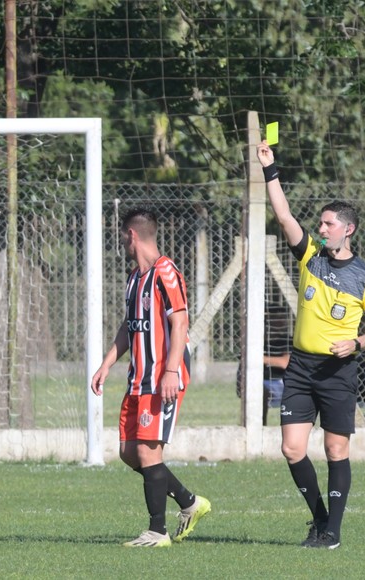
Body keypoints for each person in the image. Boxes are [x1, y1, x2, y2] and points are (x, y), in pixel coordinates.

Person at [257, 141, 365, 550]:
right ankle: (319, 519)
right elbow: (283, 215)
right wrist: (269, 169)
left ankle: (332, 532)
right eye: (321, 222)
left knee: (335, 447)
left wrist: (356, 342)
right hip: (300, 368)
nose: (322, 228)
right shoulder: (310, 256)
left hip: (337, 371)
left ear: (348, 229)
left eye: (329, 223)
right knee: (291, 448)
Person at [91, 207, 210, 548]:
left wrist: (171, 371)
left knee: (147, 452)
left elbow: (180, 322)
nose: (121, 244)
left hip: (162, 378)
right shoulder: (134, 278)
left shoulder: (165, 272)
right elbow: (129, 327)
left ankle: (157, 531)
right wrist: (106, 364)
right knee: (130, 452)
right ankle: (189, 502)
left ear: (132, 235)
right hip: (138, 378)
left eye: (122, 237)